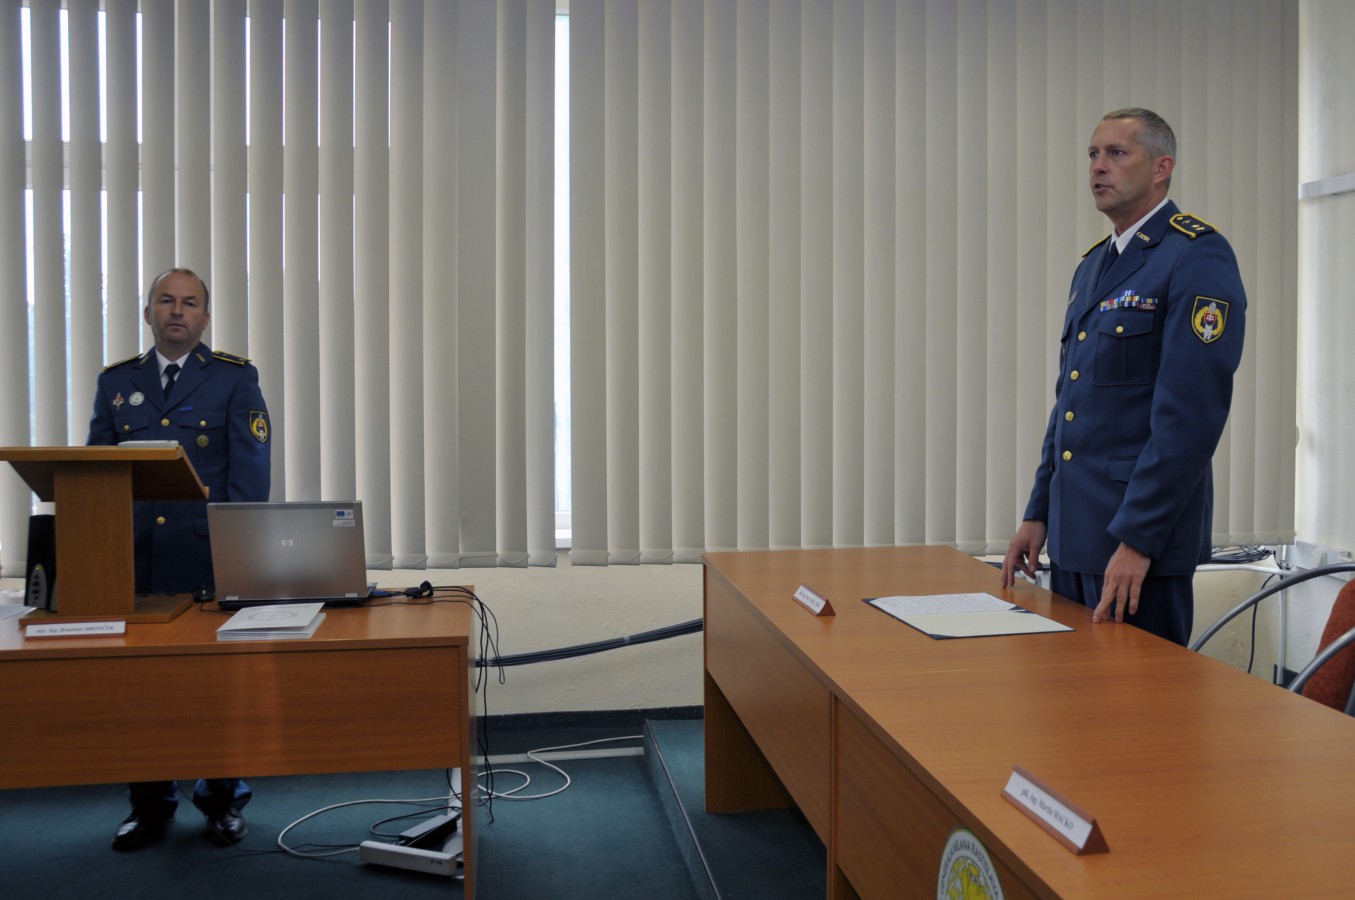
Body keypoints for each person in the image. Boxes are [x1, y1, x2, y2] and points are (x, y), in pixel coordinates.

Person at [1001, 108, 1246, 647]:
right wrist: (1038, 513)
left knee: (1138, 698)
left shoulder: (1196, 255)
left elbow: (1190, 417)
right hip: (1075, 536)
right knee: (1072, 695)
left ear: (1161, 168)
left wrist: (1139, 539)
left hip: (1136, 547)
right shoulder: (1094, 265)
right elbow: (1071, 403)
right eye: (1093, 154)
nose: (1098, 166)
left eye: (1116, 153)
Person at [87, 268, 271, 850]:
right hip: (137, 561)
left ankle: (222, 800)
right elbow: (95, 474)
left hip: (205, 559)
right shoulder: (117, 382)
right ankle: (149, 806)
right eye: (166, 301)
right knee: (140, 690)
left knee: (215, 686)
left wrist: (240, 559)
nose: (177, 311)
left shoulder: (235, 378)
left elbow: (250, 476)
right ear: (148, 313)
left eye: (190, 303)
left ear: (205, 317)